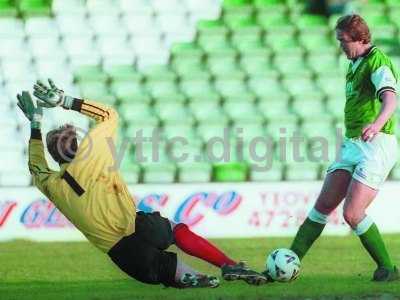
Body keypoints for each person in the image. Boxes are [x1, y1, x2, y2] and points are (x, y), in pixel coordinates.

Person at [17, 79, 267, 288]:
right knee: (174, 230)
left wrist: (35, 125)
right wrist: (64, 101)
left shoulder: (52, 184)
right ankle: (227, 264)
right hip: (140, 226)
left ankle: (189, 277)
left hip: (125, 256)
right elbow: (108, 115)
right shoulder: (93, 154)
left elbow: (36, 167)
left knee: (164, 271)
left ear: (54, 155)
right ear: (80, 144)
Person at [287, 14, 399, 281]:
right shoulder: (354, 63)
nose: (340, 46)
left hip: (376, 144)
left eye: (343, 41)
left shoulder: (377, 60)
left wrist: (375, 124)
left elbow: (391, 99)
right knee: (323, 205)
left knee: (352, 213)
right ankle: (288, 261)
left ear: (360, 38)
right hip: (352, 144)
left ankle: (388, 268)